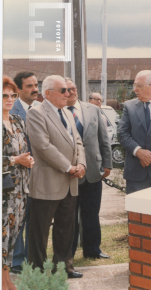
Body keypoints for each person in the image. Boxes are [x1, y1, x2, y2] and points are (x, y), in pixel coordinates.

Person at [26, 75, 86, 279]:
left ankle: (63, 268)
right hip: (47, 183)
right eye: (63, 90)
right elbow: (43, 147)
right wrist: (69, 167)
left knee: (66, 229)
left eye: (69, 90)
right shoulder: (36, 113)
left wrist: (82, 165)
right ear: (48, 93)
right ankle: (37, 271)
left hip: (70, 183)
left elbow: (78, 141)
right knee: (39, 232)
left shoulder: (67, 113)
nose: (68, 94)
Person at [65, 79, 112, 260]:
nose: (71, 92)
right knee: (69, 216)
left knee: (92, 213)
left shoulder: (92, 109)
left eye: (74, 88)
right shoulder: (59, 111)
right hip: (69, 172)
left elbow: (103, 139)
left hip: (92, 170)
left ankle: (93, 249)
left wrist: (107, 164)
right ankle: (68, 252)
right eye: (67, 89)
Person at [2, 76, 35, 290]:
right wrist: (15, 160)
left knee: (13, 238)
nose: (9, 99)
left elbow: (24, 150)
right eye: (4, 95)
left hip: (20, 191)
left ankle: (6, 280)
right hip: (3, 192)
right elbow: (14, 156)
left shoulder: (17, 120)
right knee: (2, 238)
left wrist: (27, 160)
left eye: (13, 95)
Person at [9, 72, 41, 274]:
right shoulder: (11, 109)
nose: (35, 89)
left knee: (34, 219)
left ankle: (32, 258)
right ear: (18, 90)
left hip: (40, 174)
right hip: (17, 174)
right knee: (18, 219)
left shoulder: (42, 109)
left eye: (36, 84)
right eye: (29, 86)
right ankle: (17, 260)